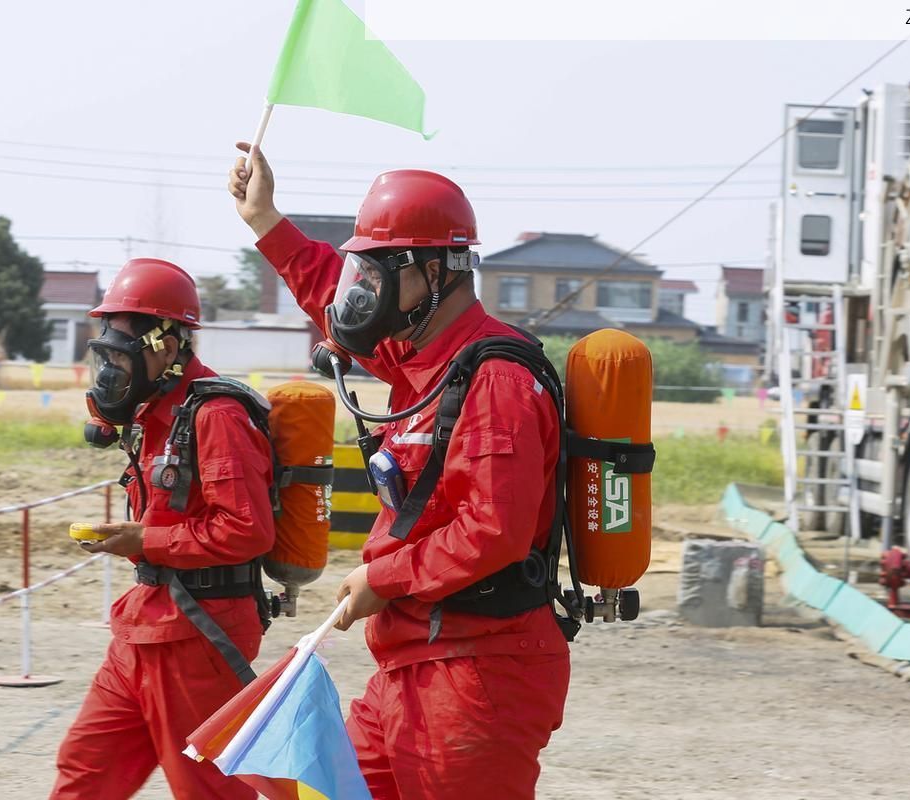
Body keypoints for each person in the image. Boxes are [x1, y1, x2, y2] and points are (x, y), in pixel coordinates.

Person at [229, 144, 571, 799]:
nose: (366, 290)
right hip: (412, 664)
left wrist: (383, 577)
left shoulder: (494, 377)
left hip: (479, 673)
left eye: (381, 272)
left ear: (434, 272)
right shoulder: (424, 362)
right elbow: (332, 294)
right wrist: (265, 220)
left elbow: (493, 529)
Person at [50, 257, 274, 800]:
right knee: (85, 769)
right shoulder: (155, 414)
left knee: (206, 789)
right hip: (144, 623)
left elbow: (247, 530)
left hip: (200, 631)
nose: (110, 372)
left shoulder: (215, 413)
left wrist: (142, 540)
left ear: (166, 348)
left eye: (120, 355)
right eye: (105, 355)